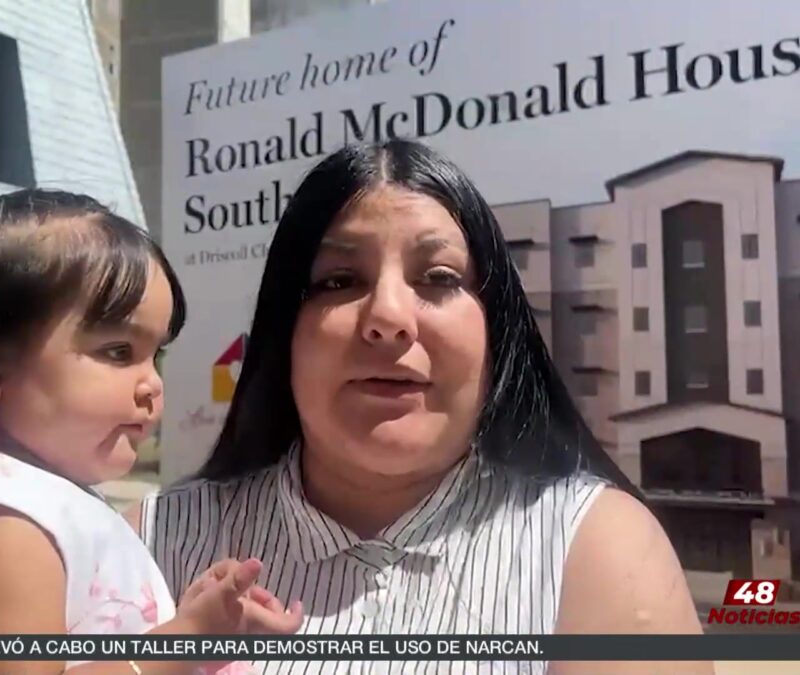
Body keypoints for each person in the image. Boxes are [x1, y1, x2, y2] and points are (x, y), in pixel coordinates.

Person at [135, 141, 711, 675]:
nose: (388, 317)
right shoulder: (154, 542)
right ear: (284, 330)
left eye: (438, 277)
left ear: (498, 332)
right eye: (338, 280)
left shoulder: (595, 548)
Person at [0, 190, 303, 675]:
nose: (153, 384)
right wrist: (184, 640)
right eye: (119, 352)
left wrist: (197, 626)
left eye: (155, 355)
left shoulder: (43, 504)